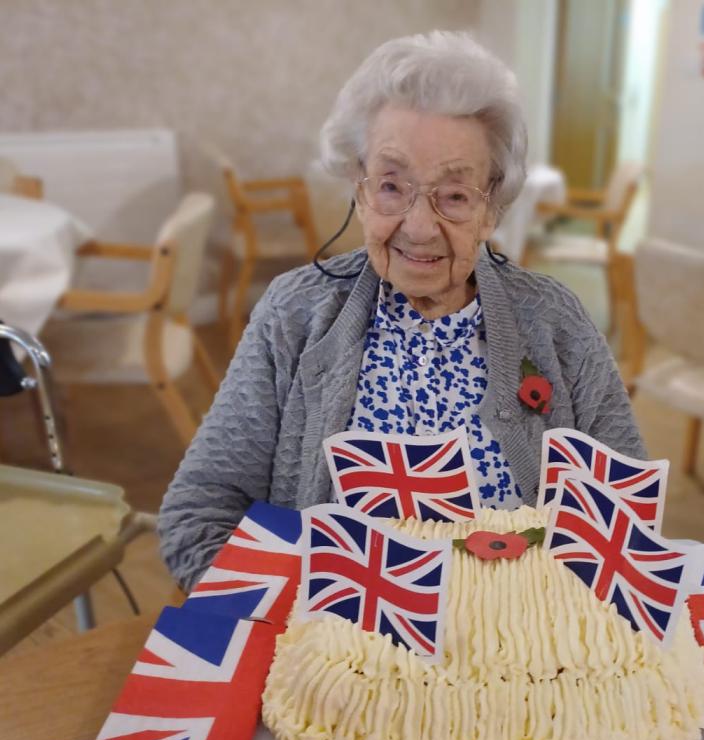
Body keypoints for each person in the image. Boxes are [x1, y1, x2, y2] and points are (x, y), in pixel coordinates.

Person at [159, 31, 645, 591]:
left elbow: (624, 517)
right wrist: (301, 630)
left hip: (521, 650)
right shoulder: (295, 313)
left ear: (494, 209)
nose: (418, 227)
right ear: (358, 190)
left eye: (455, 196)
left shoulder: (555, 320)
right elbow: (198, 513)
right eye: (392, 186)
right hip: (332, 652)